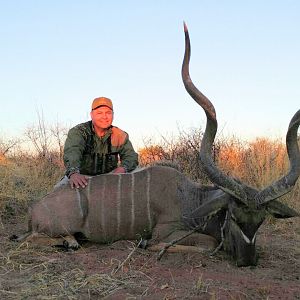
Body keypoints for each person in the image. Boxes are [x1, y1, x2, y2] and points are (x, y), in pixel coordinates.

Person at [61, 96, 138, 189]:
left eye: (108, 113)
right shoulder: (79, 132)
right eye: (99, 113)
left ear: (113, 115)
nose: (104, 116)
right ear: (91, 115)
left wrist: (122, 169)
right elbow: (72, 152)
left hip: (110, 177)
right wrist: (73, 172)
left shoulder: (120, 135)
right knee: (60, 193)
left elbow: (131, 157)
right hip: (83, 177)